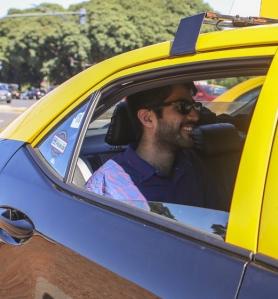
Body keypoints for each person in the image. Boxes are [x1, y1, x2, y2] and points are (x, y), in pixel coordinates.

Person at [85, 82, 222, 211]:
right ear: (148, 118)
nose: (195, 116)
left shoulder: (192, 164)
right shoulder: (106, 188)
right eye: (183, 107)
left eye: (195, 106)